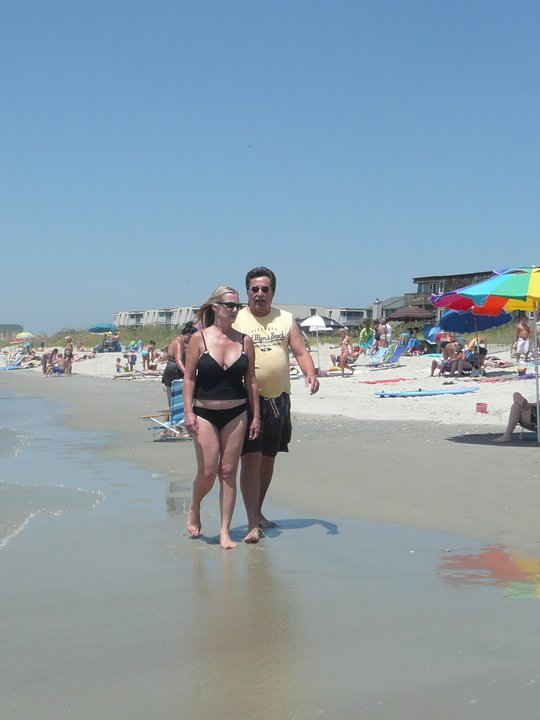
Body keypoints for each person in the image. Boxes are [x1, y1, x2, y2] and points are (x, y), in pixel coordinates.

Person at [234, 266, 319, 542]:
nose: (260, 294)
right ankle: (251, 521)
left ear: (273, 291)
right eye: (254, 289)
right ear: (247, 291)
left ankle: (257, 512)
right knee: (251, 458)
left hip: (278, 399)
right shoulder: (237, 318)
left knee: (268, 457)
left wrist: (310, 373)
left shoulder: (285, 319)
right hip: (246, 399)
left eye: (265, 289)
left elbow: (300, 351)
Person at [183, 287, 260, 549]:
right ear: (215, 307)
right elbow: (189, 378)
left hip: (237, 412)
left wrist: (256, 417)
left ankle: (225, 531)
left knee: (228, 472)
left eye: (237, 305)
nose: (235, 310)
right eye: (230, 305)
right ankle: (195, 506)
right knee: (207, 472)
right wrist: (188, 412)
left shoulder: (245, 341)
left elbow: (251, 381)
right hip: (204, 413)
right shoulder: (199, 339)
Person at [161, 321, 197, 421]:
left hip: (171, 372)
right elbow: (178, 360)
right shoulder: (178, 343)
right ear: (188, 335)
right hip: (173, 373)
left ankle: (167, 426)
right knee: (173, 403)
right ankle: (171, 426)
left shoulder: (178, 341)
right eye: (191, 339)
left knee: (171, 402)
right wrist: (188, 374)